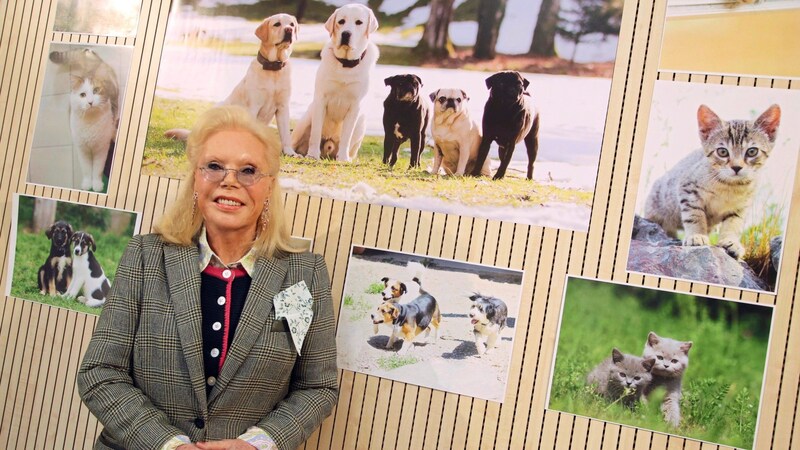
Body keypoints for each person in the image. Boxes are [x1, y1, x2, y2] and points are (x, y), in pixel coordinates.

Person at [77, 106, 338, 450]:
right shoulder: (145, 257)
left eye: (248, 170)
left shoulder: (304, 276)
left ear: (269, 186)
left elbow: (317, 387)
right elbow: (100, 372)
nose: (229, 180)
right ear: (196, 179)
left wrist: (257, 444)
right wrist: (169, 445)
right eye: (214, 166)